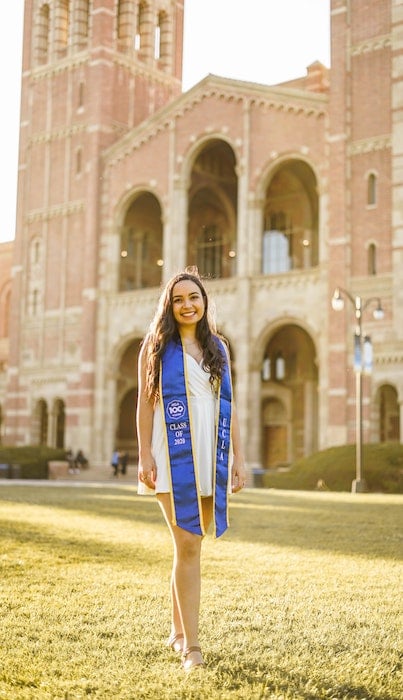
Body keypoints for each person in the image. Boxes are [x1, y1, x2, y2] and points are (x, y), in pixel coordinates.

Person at [136, 268, 246, 672]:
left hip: (209, 453)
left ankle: (177, 630)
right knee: (188, 545)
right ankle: (192, 647)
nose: (187, 305)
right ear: (170, 305)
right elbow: (146, 404)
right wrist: (144, 455)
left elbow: (228, 408)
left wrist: (239, 458)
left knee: (186, 548)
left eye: (194, 298)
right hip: (172, 455)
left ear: (204, 303)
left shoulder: (219, 347)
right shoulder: (156, 346)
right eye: (179, 299)